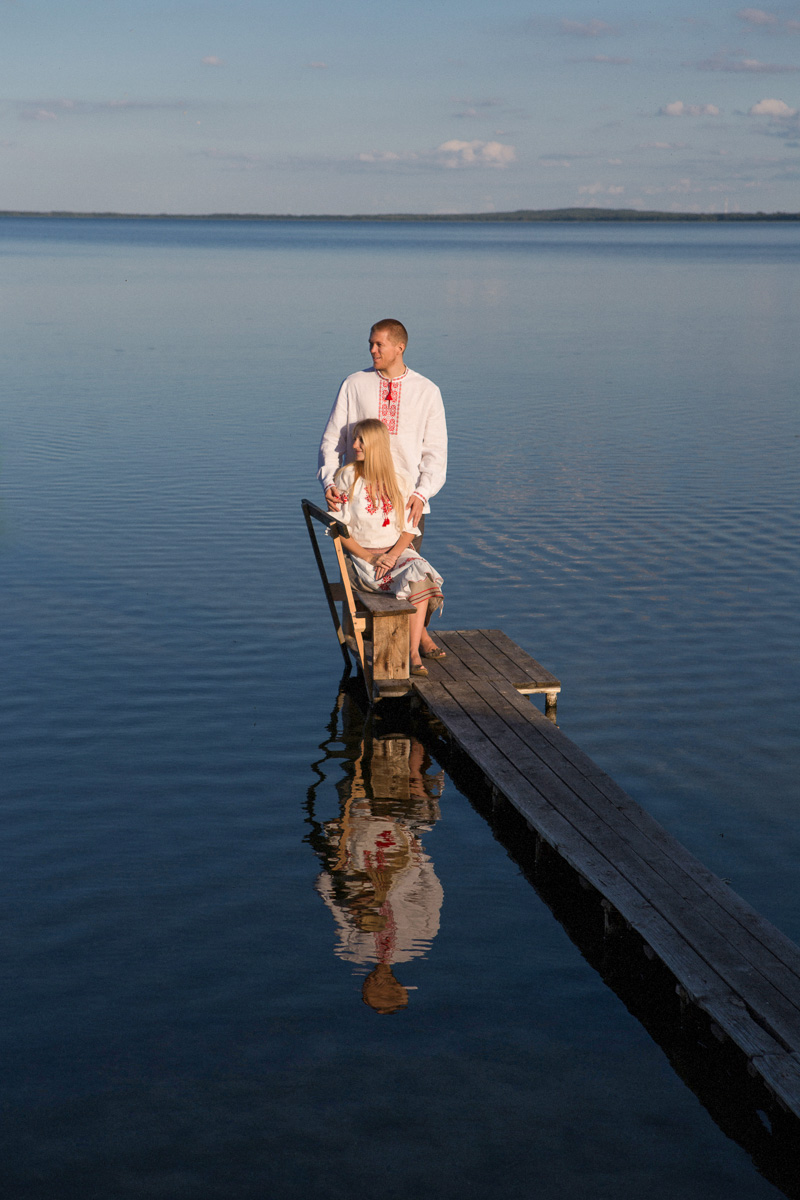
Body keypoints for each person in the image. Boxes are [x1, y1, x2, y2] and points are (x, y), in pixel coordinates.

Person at [318, 319, 447, 542]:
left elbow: (435, 453)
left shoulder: (427, 391)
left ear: (400, 347)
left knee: (402, 574)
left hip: (406, 506)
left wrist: (423, 493)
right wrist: (329, 482)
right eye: (370, 344)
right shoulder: (354, 384)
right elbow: (332, 442)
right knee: (355, 576)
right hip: (355, 505)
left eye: (379, 345)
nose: (372, 350)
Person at [334, 419, 445, 675]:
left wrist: (393, 555)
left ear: (377, 445)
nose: (354, 445)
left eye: (361, 440)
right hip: (363, 560)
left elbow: (409, 528)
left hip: (396, 554)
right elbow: (340, 531)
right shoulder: (348, 477)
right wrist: (372, 559)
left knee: (422, 574)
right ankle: (415, 649)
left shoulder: (400, 479)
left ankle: (413, 651)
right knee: (416, 577)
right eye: (355, 439)